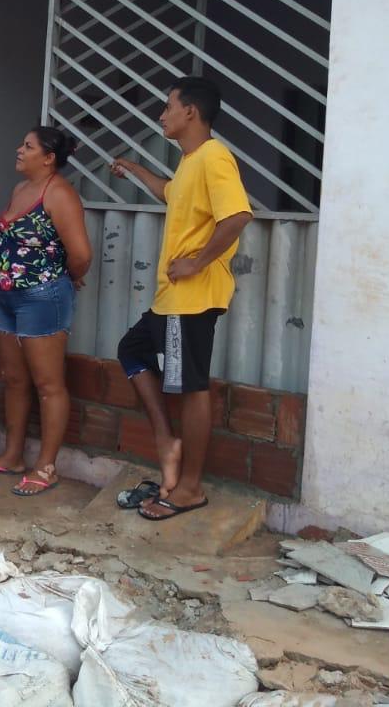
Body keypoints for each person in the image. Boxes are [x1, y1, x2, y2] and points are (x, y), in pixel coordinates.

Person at [110, 76, 252, 522]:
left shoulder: (214, 157)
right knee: (131, 350)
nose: (162, 114)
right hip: (171, 299)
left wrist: (197, 262)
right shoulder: (191, 162)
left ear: (190, 112)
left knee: (192, 389)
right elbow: (169, 192)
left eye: (168, 106)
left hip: (191, 298)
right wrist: (134, 168)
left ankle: (190, 488)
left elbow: (238, 215)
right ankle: (166, 441)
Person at [0, 127, 91, 496]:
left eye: (28, 146)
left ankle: (46, 466)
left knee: (48, 384)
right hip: (8, 298)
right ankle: (12, 455)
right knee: (15, 380)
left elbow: (82, 254)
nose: (19, 150)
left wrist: (68, 277)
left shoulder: (59, 193)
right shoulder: (20, 189)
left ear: (49, 157)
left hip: (42, 298)